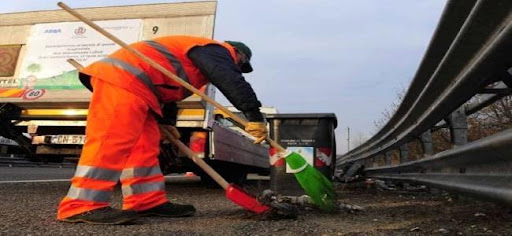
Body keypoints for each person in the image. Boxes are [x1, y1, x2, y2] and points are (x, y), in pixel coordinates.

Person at [57, 35, 268, 224]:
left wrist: (167, 121)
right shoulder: (216, 50)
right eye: (241, 65)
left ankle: (146, 201)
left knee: (144, 149)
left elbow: (168, 89)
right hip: (123, 82)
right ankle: (80, 206)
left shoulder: (198, 61)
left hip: (143, 91)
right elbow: (230, 79)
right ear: (237, 53)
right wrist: (254, 116)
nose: (239, 69)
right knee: (111, 142)